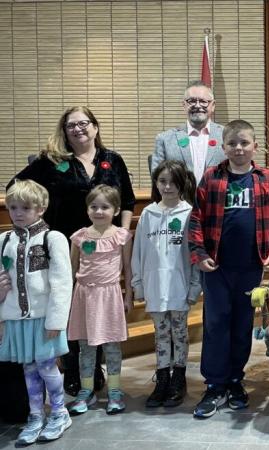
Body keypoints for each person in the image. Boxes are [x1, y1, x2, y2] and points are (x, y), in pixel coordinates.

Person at [10, 105, 136, 396]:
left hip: (104, 248)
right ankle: (75, 370)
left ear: (95, 126)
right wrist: (39, 218)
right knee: (69, 307)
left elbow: (127, 201)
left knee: (99, 308)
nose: (78, 129)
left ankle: (95, 369)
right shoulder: (52, 161)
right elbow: (16, 186)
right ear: (64, 131)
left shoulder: (112, 160)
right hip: (65, 245)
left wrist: (123, 233)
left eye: (83, 123)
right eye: (71, 125)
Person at [188, 119, 269, 419]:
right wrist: (200, 254)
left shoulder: (267, 179)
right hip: (216, 268)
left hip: (250, 268)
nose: (239, 148)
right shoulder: (211, 178)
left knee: (242, 325)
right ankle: (214, 384)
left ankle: (234, 380)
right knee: (216, 324)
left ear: (255, 146)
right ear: (223, 145)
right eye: (232, 143)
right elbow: (196, 221)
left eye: (244, 143)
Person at [0, 180, 73, 444]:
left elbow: (62, 282)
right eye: (13, 207)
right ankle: (35, 415)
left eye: (25, 208)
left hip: (44, 318)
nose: (18, 213)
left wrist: (56, 320)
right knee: (29, 368)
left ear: (41, 208)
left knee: (46, 365)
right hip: (16, 318)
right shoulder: (3, 240)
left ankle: (59, 411)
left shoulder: (52, 238)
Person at [131, 160, 201, 408]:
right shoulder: (148, 215)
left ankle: (178, 379)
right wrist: (137, 284)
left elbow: (195, 254)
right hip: (154, 286)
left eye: (173, 182)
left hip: (179, 286)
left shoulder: (190, 213)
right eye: (162, 181)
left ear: (182, 183)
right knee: (161, 334)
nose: (168, 186)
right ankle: (162, 378)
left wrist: (194, 287)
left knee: (179, 333)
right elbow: (137, 252)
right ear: (156, 183)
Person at [66, 185, 134, 416]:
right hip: (83, 296)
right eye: (94, 206)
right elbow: (71, 268)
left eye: (105, 207)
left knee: (112, 345)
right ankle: (86, 391)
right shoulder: (79, 237)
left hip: (110, 295)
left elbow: (127, 268)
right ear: (87, 210)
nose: (99, 211)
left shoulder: (121, 236)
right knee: (86, 347)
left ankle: (114, 390)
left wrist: (129, 296)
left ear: (115, 210)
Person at [151, 80, 226, 183]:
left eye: (203, 101)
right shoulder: (165, 139)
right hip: (179, 198)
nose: (198, 106)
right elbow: (157, 177)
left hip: (217, 198)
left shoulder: (226, 136)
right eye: (192, 101)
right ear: (184, 105)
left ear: (213, 105)